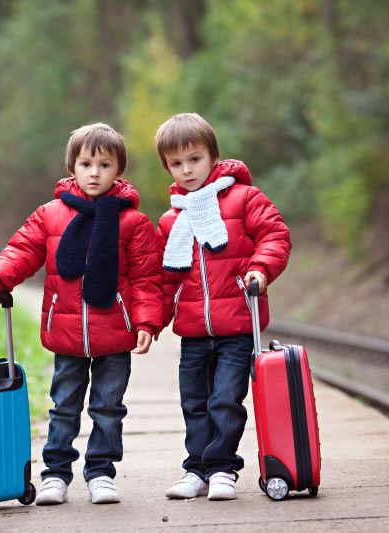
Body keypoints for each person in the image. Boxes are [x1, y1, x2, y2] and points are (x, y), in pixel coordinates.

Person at [0, 123, 162, 505]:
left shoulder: (132, 222)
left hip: (114, 333)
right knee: (63, 406)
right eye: (86, 164)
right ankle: (55, 474)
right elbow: (23, 249)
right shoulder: (50, 215)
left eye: (104, 165)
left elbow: (147, 278)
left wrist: (147, 320)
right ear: (72, 168)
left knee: (108, 408)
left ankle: (100, 472)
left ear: (118, 171)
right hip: (66, 333)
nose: (94, 172)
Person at [155, 113, 291, 500]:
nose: (186, 170)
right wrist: (151, 322)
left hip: (236, 327)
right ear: (167, 167)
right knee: (194, 402)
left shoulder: (244, 198)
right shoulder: (171, 220)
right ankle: (196, 468)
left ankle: (221, 469)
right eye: (176, 163)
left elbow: (275, 235)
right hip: (194, 330)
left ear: (212, 156)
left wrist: (260, 269)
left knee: (225, 399)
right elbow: (164, 279)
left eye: (194, 159)